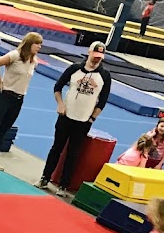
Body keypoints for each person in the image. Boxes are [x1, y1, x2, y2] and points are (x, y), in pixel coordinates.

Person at [37, 41, 111, 198]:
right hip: (66, 116)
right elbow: (57, 87)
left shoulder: (104, 76)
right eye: (95, 55)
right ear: (89, 52)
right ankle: (45, 178)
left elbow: (103, 101)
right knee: (56, 148)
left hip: (83, 121)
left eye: (100, 57)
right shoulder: (74, 69)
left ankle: (64, 184)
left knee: (73, 154)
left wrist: (92, 118)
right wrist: (60, 104)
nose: (97, 59)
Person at [0, 32, 42, 170]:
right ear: (29, 43)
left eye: (41, 44)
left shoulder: (34, 61)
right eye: (37, 44)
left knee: (4, 129)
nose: (39, 47)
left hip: (18, 99)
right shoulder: (15, 55)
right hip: (4, 96)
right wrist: (0, 82)